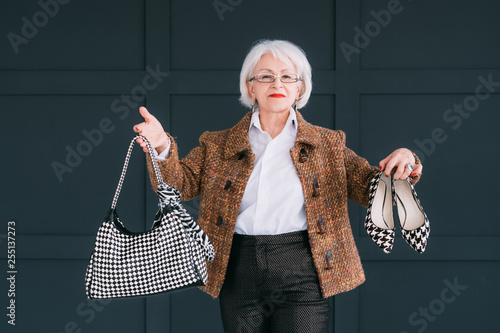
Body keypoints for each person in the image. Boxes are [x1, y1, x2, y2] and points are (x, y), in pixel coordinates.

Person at [133, 39, 422, 333]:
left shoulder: (327, 144)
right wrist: (161, 145)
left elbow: (370, 186)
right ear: (251, 87)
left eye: (287, 76)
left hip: (302, 267)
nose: (277, 83)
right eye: (266, 76)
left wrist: (406, 159)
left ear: (299, 88)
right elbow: (176, 187)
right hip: (237, 268)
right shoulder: (217, 144)